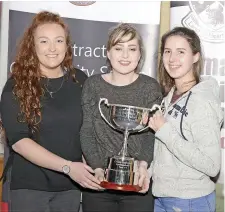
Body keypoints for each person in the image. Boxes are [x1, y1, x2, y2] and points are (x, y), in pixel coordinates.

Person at [0, 11, 102, 212]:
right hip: (30, 189)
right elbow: (20, 143)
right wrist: (68, 167)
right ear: (33, 45)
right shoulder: (16, 85)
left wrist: (94, 167)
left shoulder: (80, 80)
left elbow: (88, 131)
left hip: (71, 189)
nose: (52, 48)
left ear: (67, 45)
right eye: (44, 41)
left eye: (59, 40)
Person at [80, 23, 163, 212]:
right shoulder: (93, 85)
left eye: (132, 49)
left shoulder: (150, 87)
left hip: (137, 184)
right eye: (118, 48)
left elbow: (150, 134)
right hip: (98, 185)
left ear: (139, 54)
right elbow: (87, 130)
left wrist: (142, 166)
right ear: (108, 53)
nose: (125, 56)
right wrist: (98, 167)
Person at [149, 26, 224, 212]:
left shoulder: (202, 101)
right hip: (164, 196)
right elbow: (166, 153)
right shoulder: (172, 95)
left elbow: (212, 165)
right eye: (168, 52)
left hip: (190, 201)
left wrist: (164, 130)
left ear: (195, 56)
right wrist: (148, 172)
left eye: (181, 52)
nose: (172, 59)